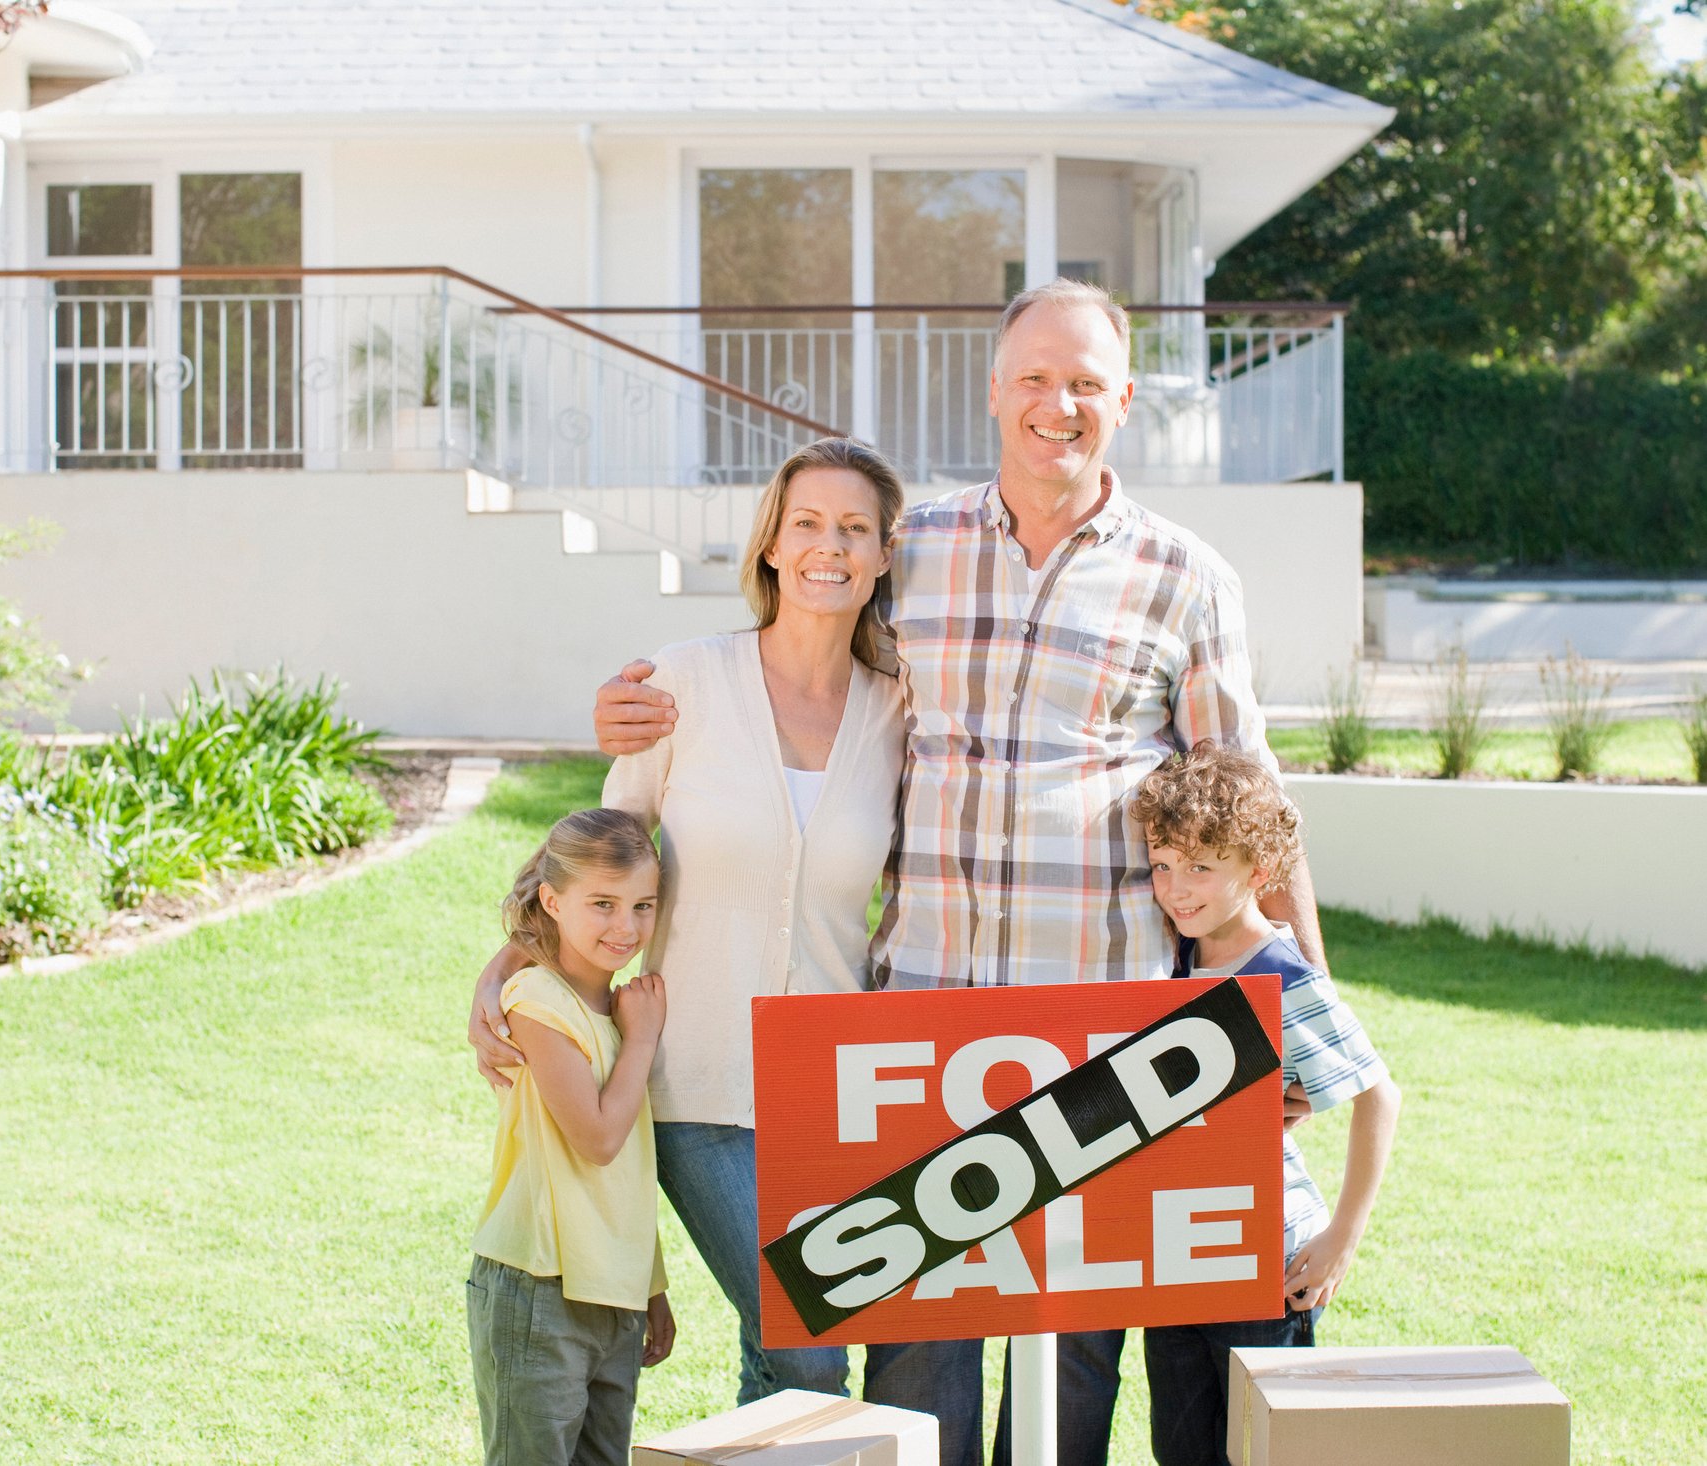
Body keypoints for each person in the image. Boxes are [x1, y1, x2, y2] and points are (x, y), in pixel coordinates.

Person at [592, 279, 1324, 1466]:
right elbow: (793, 665)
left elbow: (1257, 818)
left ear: (1125, 400)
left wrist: (1300, 1017)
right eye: (1034, 377)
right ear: (993, 391)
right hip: (916, 1036)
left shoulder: (1188, 577)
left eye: (1086, 382)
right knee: (913, 1347)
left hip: (1099, 1042)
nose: (1058, 404)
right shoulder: (912, 550)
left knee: (1069, 1355)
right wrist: (640, 707)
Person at [471, 438, 986, 1466]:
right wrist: (505, 966)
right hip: (691, 1084)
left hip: (838, 1090)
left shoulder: (904, 711)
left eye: (853, 529)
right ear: (771, 542)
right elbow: (593, 867)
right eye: (806, 523)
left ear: (883, 556)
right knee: (802, 1335)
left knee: (805, 1339)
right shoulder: (680, 683)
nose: (827, 547)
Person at [1130, 743, 1401, 1466]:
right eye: (1162, 864)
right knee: (1182, 1451)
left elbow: (1380, 1096)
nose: (1176, 888)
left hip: (1265, 1264)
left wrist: (1343, 1234)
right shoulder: (1178, 958)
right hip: (1182, 1261)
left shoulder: (1280, 973)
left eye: (1201, 867)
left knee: (1264, 1451)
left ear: (1260, 871)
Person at [468, 807, 675, 1466]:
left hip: (613, 1292)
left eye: (643, 906)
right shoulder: (535, 1001)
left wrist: (652, 1285)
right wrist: (643, 1038)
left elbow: (627, 1172)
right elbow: (597, 1140)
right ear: (553, 901)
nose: (627, 926)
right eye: (604, 904)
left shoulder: (614, 1015)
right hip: (539, 1288)